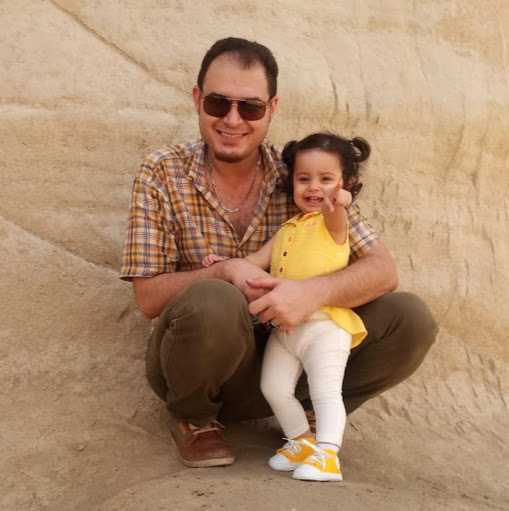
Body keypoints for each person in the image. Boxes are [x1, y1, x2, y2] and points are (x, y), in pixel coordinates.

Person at [120, 37, 438, 469]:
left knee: (410, 318)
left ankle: (308, 418)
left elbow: (383, 270)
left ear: (271, 108)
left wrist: (313, 293)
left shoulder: (304, 176)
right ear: (197, 100)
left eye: (250, 107)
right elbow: (147, 298)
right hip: (196, 369)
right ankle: (195, 418)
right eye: (218, 103)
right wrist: (223, 273)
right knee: (215, 297)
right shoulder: (162, 172)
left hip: (290, 356)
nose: (233, 119)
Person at [202, 132, 371, 481]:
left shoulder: (335, 223)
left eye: (326, 179)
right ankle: (302, 442)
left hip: (326, 326)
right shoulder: (287, 229)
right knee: (274, 388)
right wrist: (224, 264)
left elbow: (336, 215)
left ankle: (328, 455)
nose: (314, 187)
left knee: (325, 391)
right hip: (287, 329)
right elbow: (253, 263)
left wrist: (339, 201)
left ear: (345, 184)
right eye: (304, 179)